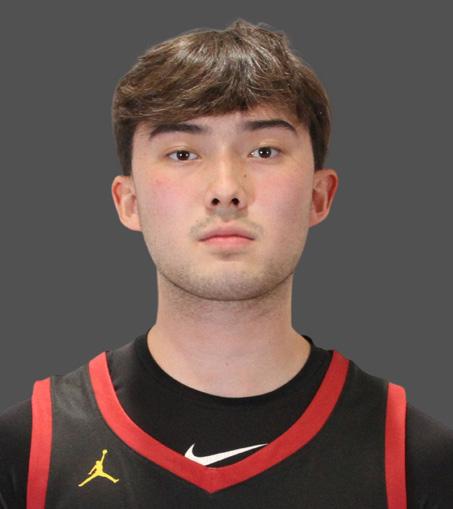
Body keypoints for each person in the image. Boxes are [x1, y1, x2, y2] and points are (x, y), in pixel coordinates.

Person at [1, 18, 452, 509]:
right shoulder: (29, 452)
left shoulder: (415, 460)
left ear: (319, 195)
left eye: (263, 150)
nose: (226, 189)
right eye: (182, 153)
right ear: (128, 202)